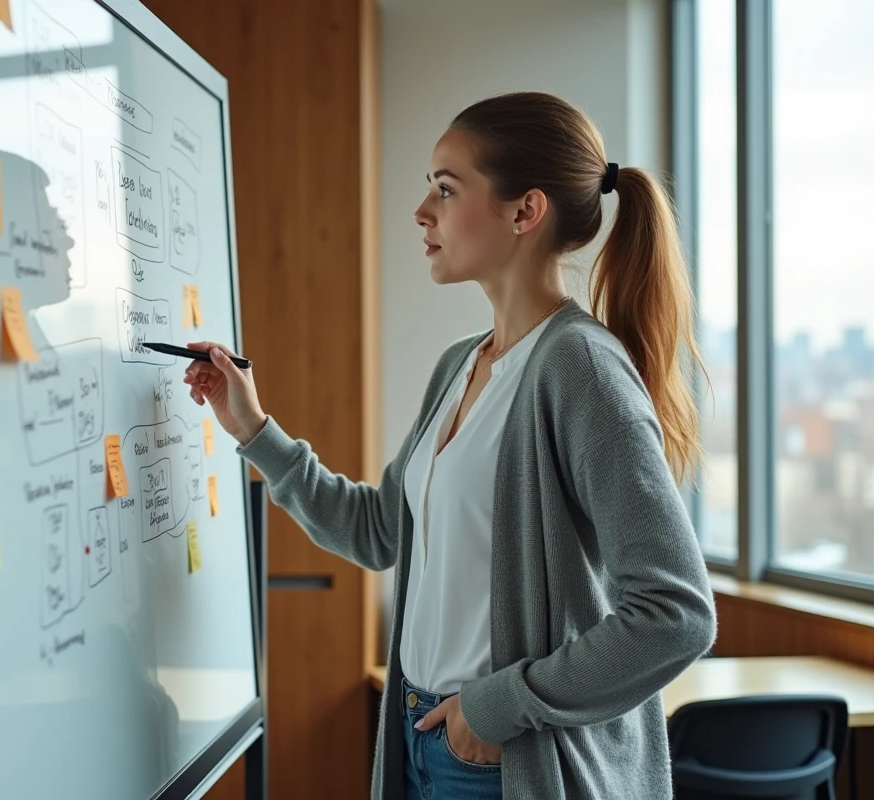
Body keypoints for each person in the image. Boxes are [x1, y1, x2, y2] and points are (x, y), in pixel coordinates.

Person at [182, 91, 716, 800]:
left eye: (445, 189)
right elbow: (378, 531)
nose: (422, 212)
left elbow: (675, 615)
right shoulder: (461, 364)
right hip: (422, 735)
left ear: (525, 212)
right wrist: (253, 429)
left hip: (509, 758)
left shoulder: (579, 369)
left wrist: (494, 709)